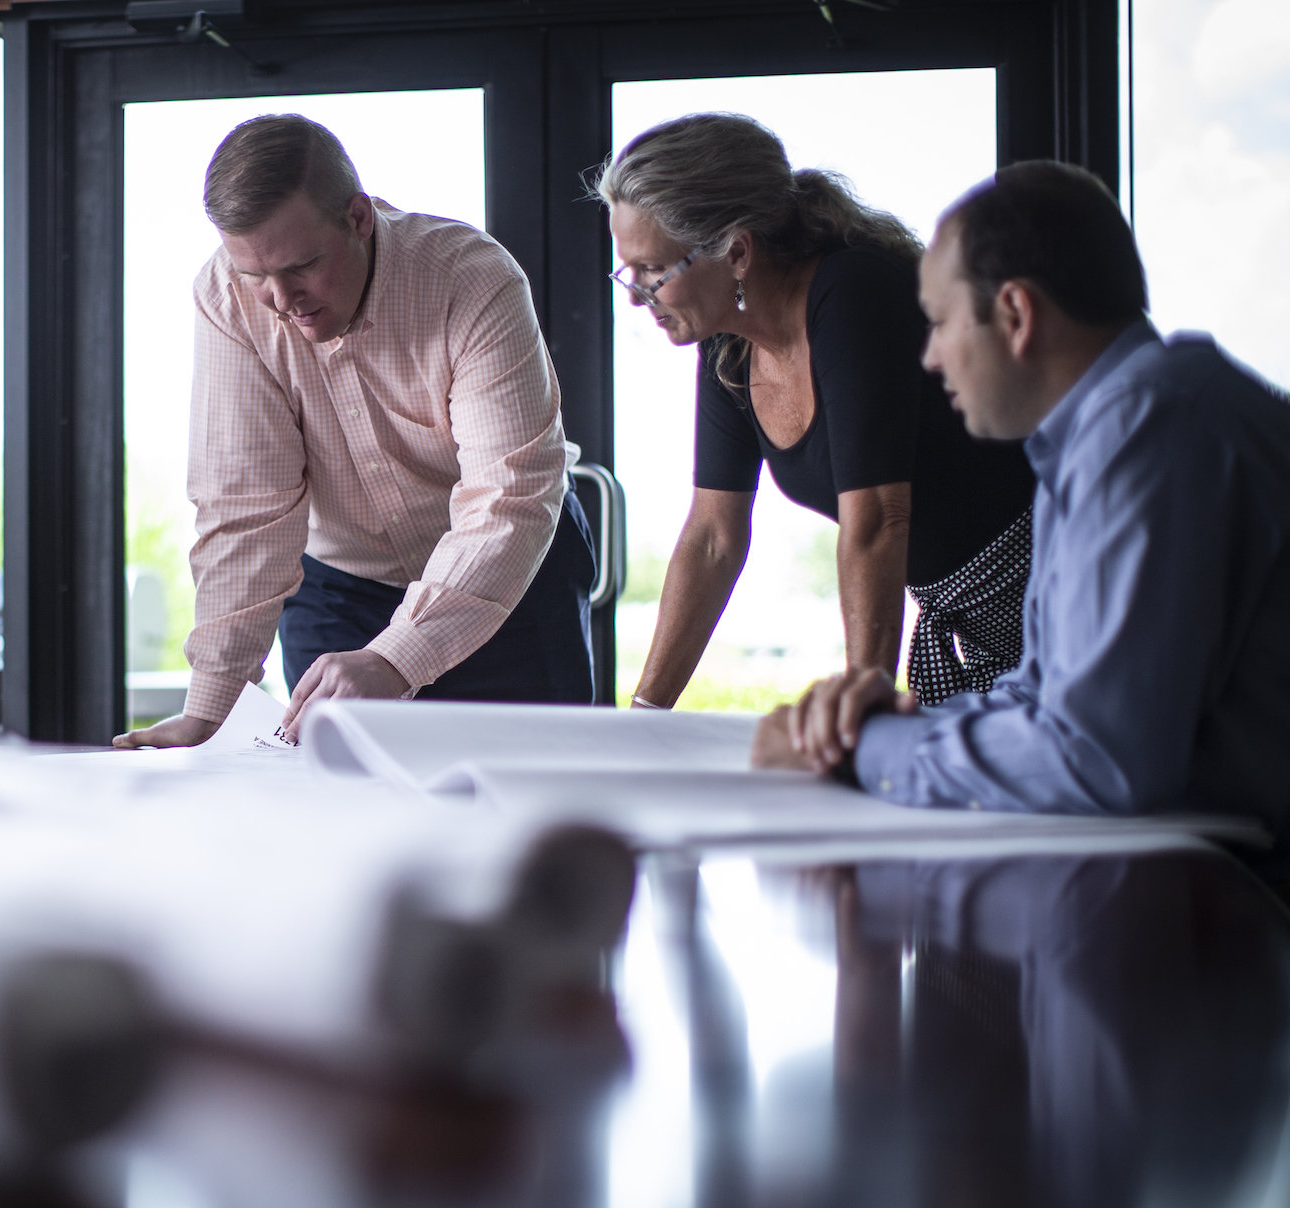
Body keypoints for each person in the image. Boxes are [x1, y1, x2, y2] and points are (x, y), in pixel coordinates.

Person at [757, 161, 1290, 872]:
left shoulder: (1147, 429)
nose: (931, 356)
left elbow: (1097, 756)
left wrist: (864, 752)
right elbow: (1045, 692)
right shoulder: (1117, 428)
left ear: (1016, 313)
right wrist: (892, 722)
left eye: (940, 323)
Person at [114, 114, 594, 748]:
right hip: (340, 585)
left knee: (535, 806)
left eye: (302, 266)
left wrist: (399, 656)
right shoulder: (225, 296)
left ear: (359, 218)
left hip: (515, 577)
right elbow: (245, 508)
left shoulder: (472, 279)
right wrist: (211, 709)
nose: (281, 299)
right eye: (256, 275)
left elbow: (506, 496)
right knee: (341, 811)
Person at [594, 114, 1037, 708]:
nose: (633, 292)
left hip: (1057, 593)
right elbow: (712, 539)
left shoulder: (852, 293)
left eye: (652, 269)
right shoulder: (728, 344)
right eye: (628, 268)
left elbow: (879, 519)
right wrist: (645, 715)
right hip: (970, 625)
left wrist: (862, 712)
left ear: (738, 252)